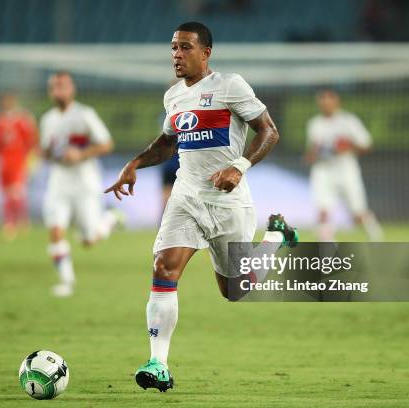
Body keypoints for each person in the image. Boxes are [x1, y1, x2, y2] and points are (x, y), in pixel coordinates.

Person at [105, 22, 298, 392]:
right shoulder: (173, 96)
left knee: (235, 290)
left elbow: (269, 131)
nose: (177, 54)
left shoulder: (230, 86)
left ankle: (275, 235)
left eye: (185, 48)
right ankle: (157, 363)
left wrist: (239, 166)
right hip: (186, 198)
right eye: (174, 48)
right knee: (164, 267)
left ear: (206, 52)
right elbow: (167, 143)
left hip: (228, 204)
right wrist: (133, 164)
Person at [40, 71, 122, 297]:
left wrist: (81, 153)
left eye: (63, 86)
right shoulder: (47, 120)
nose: (59, 90)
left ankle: (110, 219)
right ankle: (66, 282)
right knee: (56, 230)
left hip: (85, 183)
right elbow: (46, 153)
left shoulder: (85, 115)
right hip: (59, 183)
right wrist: (49, 153)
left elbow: (106, 144)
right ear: (51, 91)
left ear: (71, 89)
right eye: (55, 86)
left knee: (88, 239)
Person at [305, 89, 383, 242]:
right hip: (323, 170)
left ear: (336, 101)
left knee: (358, 213)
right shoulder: (315, 124)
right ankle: (327, 248)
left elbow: (366, 145)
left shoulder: (348, 121)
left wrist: (348, 146)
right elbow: (312, 152)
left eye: (329, 99)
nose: (326, 103)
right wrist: (312, 155)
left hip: (346, 170)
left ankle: (376, 239)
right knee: (323, 211)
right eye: (323, 100)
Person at [0, 92, 38, 239]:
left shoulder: (22, 120)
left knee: (16, 192)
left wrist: (31, 159)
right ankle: (9, 223)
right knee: (7, 193)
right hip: (4, 161)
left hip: (18, 159)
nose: (7, 104)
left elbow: (31, 141)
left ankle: (21, 221)